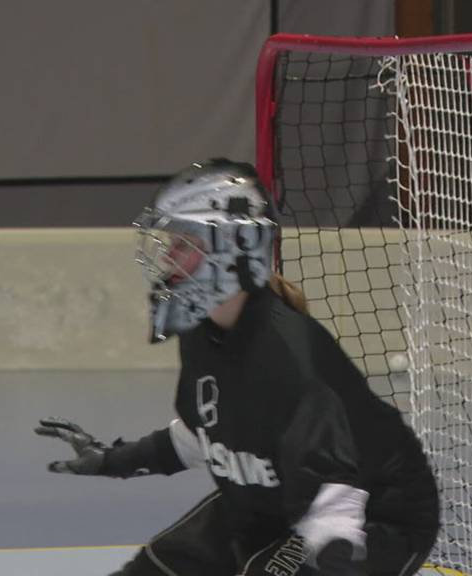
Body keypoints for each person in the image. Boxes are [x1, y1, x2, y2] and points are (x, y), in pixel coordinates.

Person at [35, 159, 440, 575]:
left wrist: (332, 560)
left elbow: (334, 490)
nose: (168, 259)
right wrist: (111, 461)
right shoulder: (204, 330)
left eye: (182, 245)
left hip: (371, 515)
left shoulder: (292, 358)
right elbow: (205, 433)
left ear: (230, 249)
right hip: (271, 500)